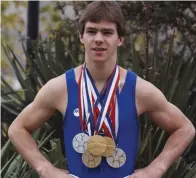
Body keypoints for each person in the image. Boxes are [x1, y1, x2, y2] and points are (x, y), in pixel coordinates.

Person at [8, 1, 195, 178]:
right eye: (91, 31)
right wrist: (45, 169)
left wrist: (156, 168)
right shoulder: (61, 88)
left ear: (120, 39)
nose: (98, 39)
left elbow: (185, 128)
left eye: (107, 32)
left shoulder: (139, 90)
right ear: (82, 37)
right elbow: (17, 129)